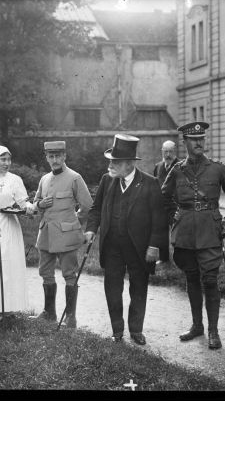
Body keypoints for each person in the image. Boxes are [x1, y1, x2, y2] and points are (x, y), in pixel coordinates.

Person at [161, 121, 225, 349]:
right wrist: (174, 219)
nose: (199, 143)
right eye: (194, 140)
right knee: (191, 278)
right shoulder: (177, 170)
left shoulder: (218, 168)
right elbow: (164, 197)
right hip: (185, 235)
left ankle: (214, 331)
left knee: (210, 280)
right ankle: (197, 326)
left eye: (202, 139)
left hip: (209, 233)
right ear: (184, 142)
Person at [85, 134, 165, 345]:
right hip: (112, 245)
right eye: (110, 161)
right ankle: (117, 331)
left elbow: (159, 218)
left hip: (139, 247)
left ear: (129, 164)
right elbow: (95, 208)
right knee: (112, 287)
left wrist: (154, 245)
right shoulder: (107, 180)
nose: (110, 165)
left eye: (115, 162)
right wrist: (91, 229)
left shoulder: (150, 183)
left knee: (139, 287)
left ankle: (136, 330)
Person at [32, 140, 93, 328]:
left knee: (69, 274)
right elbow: (35, 206)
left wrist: (75, 221)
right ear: (47, 158)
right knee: (45, 273)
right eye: (51, 156)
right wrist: (40, 205)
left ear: (65, 156)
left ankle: (70, 317)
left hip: (66, 235)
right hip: (46, 235)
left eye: (58, 156)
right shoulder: (44, 179)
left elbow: (88, 205)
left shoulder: (74, 178)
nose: (55, 160)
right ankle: (49, 312)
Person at [0, 145, 33, 317]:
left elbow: (23, 201)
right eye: (2, 159)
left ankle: (8, 308)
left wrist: (29, 207)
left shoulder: (14, 179)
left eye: (9, 159)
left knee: (9, 265)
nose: (7, 163)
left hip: (9, 227)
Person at [153, 139, 180, 262]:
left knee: (178, 233)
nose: (168, 155)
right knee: (161, 232)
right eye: (165, 151)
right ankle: (164, 258)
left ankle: (181, 259)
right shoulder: (158, 166)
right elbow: (154, 184)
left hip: (176, 206)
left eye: (170, 151)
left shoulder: (181, 166)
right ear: (162, 152)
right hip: (160, 206)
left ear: (175, 152)